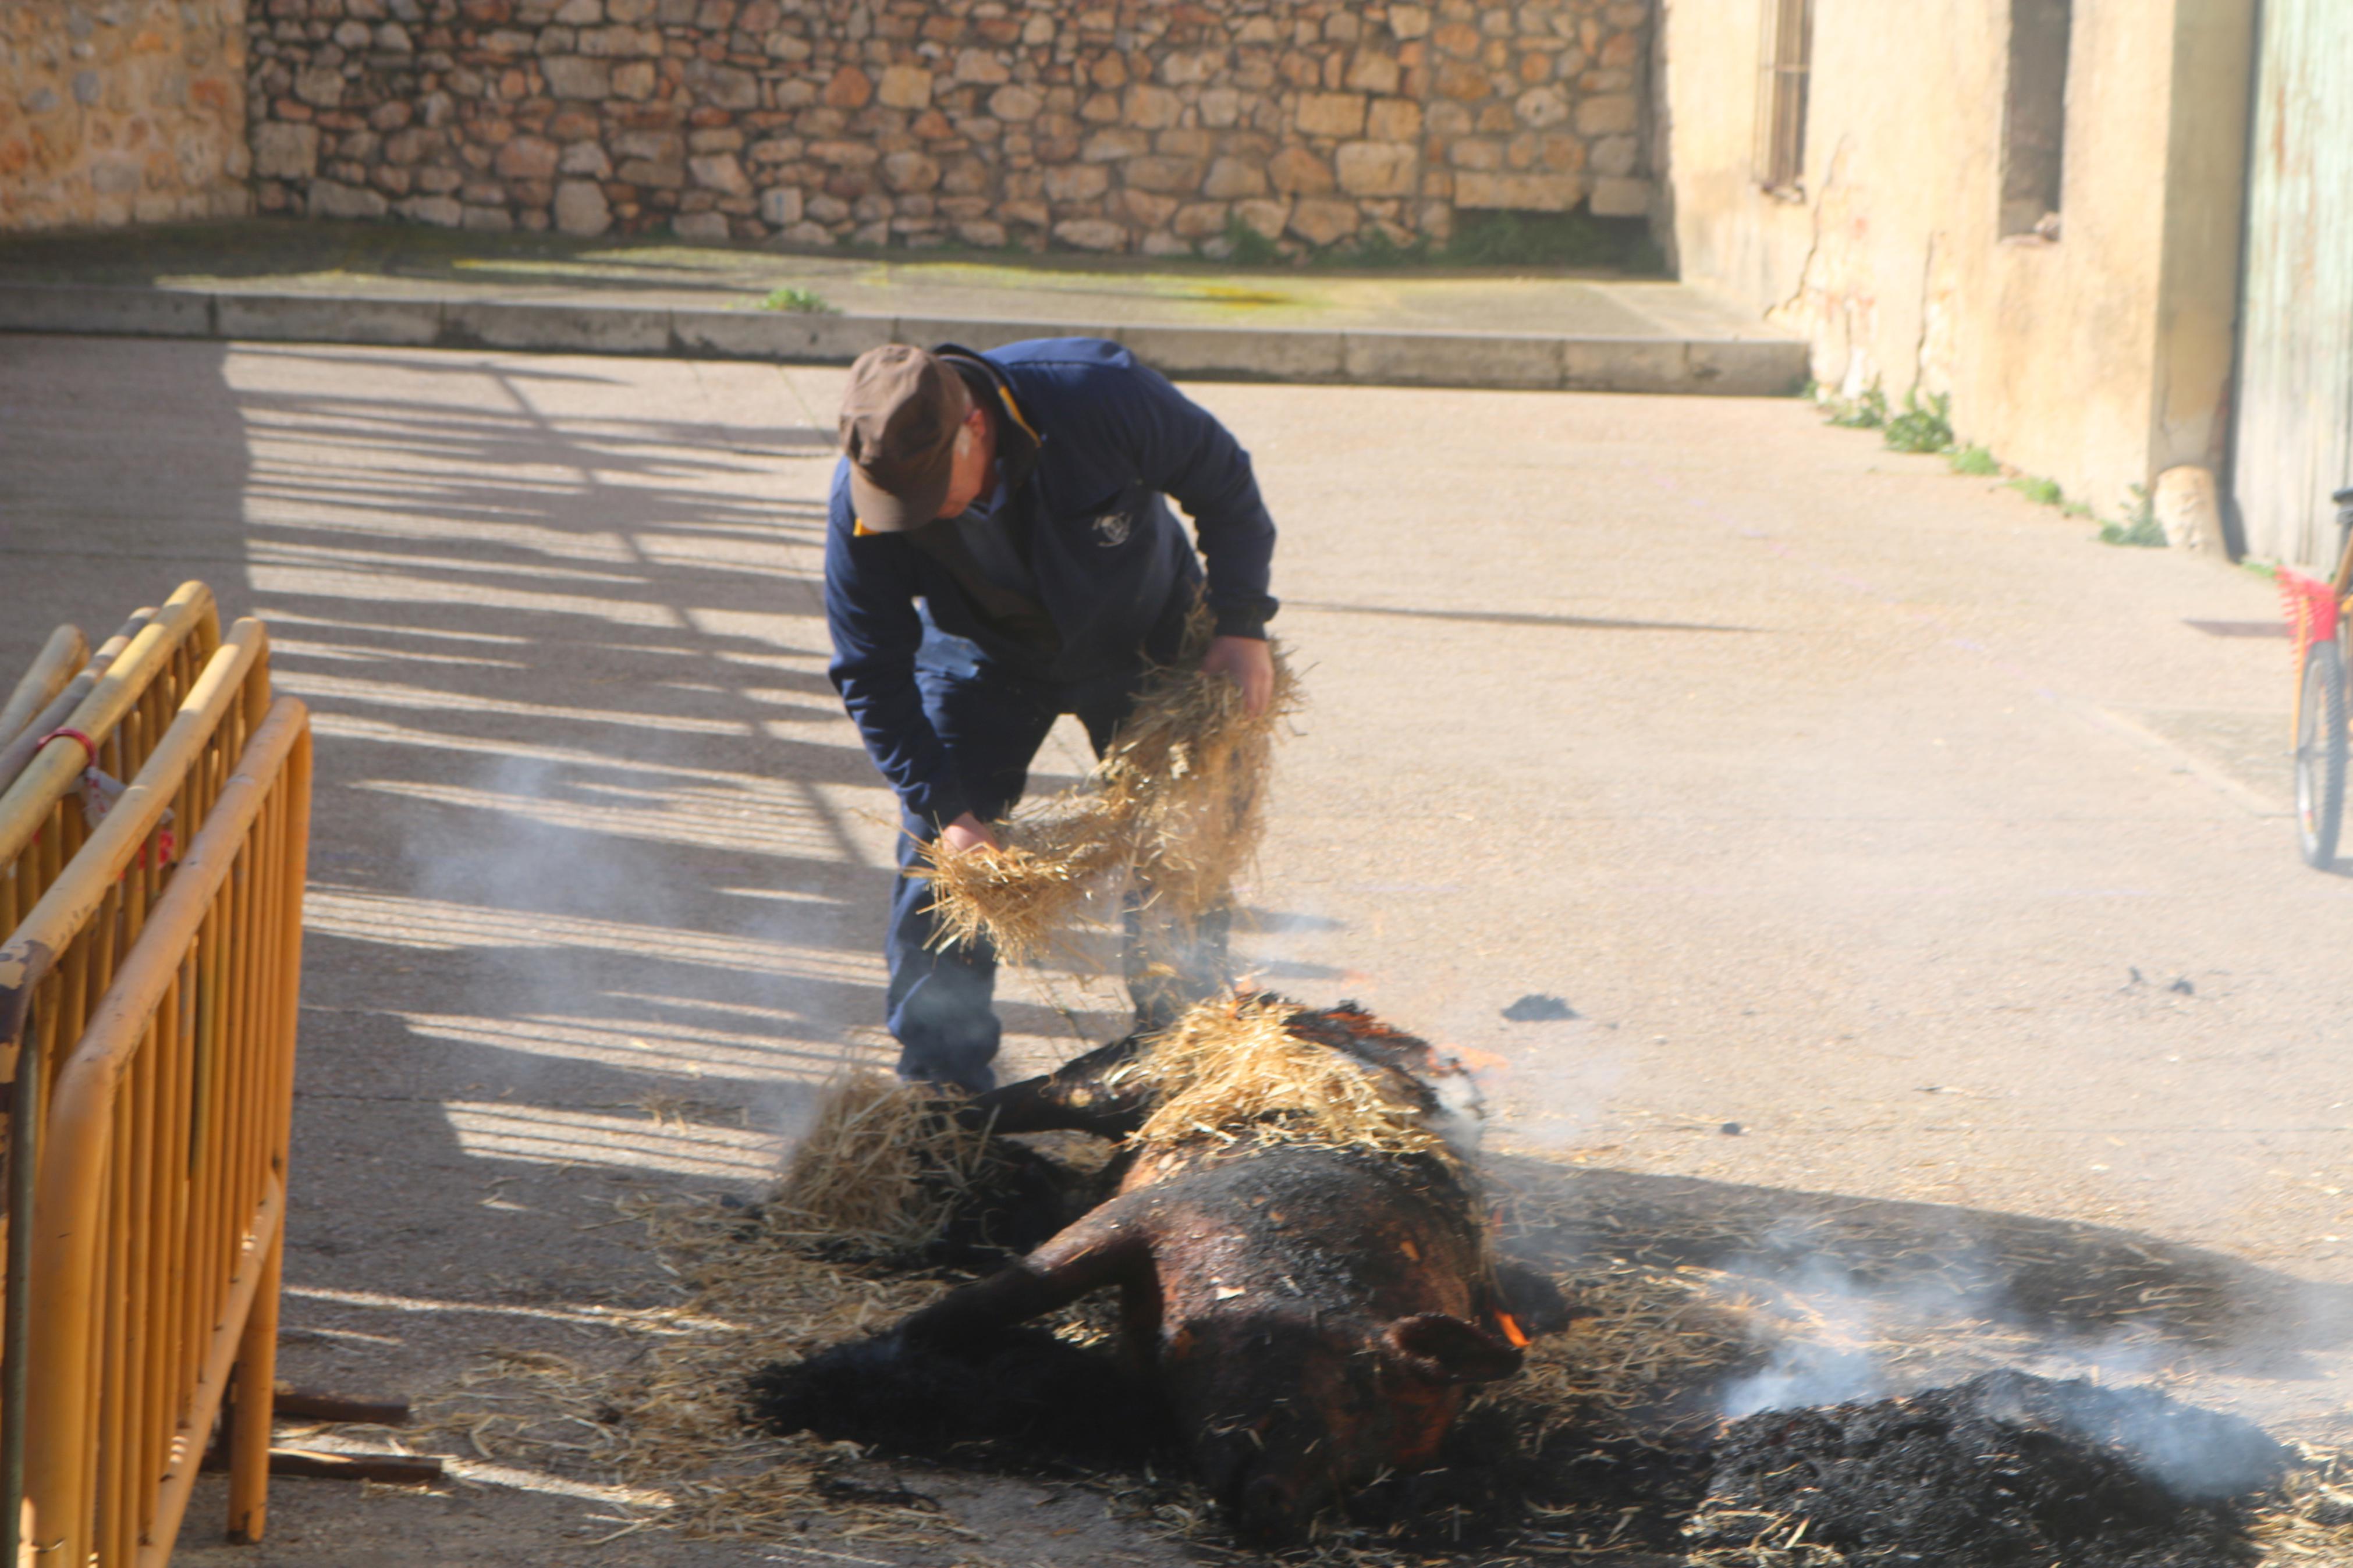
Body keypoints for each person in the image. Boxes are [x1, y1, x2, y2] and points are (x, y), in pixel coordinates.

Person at [825, 338, 1278, 1093]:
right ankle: (943, 1088)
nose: (925, 513)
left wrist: (1241, 624)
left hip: (1145, 638)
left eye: (936, 488)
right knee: (938, 863)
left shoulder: (1098, 394)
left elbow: (1225, 482)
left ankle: (1184, 1061)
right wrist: (950, 810)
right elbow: (868, 667)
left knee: (1181, 841)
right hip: (983, 655)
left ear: (974, 426)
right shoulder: (868, 503)